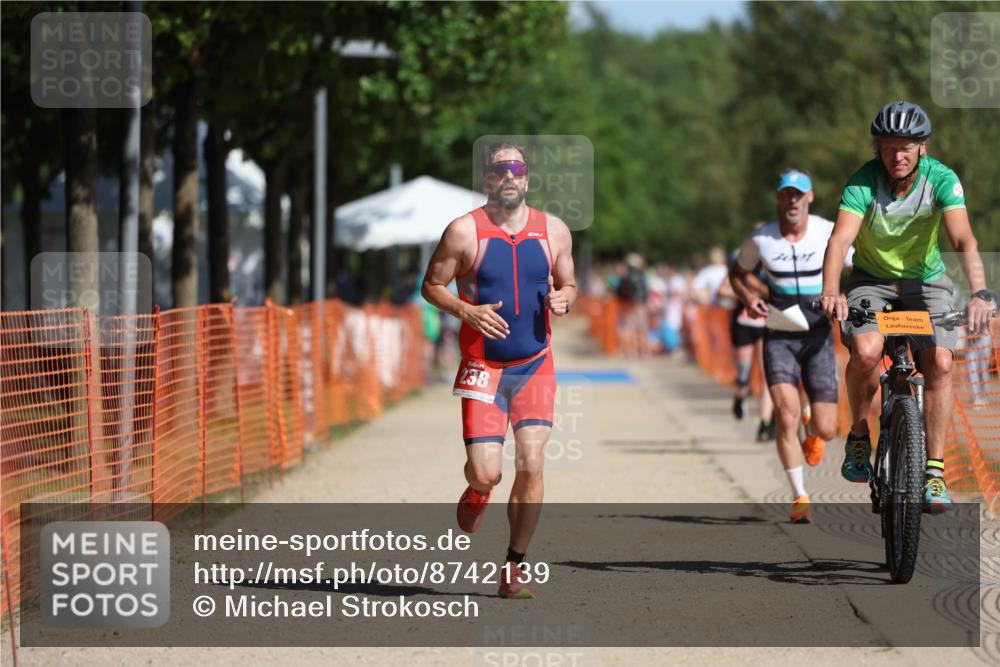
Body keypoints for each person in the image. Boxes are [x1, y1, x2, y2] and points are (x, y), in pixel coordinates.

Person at [820, 101, 996, 511]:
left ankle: (934, 471)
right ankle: (860, 435)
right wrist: (832, 290)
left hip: (926, 282)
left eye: (906, 147)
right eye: (888, 147)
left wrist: (980, 292)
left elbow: (963, 240)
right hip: (871, 280)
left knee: (941, 362)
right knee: (864, 352)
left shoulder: (941, 179)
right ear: (877, 149)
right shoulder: (863, 183)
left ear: (923, 148)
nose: (897, 156)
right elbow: (839, 242)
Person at [421, 142, 576, 598]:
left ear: (527, 178)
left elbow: (568, 282)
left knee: (531, 462)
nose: (509, 175)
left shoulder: (555, 231)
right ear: (487, 179)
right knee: (486, 471)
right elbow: (431, 285)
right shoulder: (463, 232)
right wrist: (465, 312)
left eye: (517, 168)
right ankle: (478, 490)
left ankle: (514, 566)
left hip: (534, 364)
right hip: (481, 366)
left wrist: (566, 297)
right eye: (498, 168)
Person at [730, 169, 850, 523]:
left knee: (829, 428)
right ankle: (799, 496)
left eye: (799, 194)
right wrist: (749, 297)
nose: (793, 200)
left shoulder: (828, 231)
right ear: (778, 197)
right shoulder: (762, 238)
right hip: (779, 333)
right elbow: (737, 275)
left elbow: (858, 268)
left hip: (818, 334)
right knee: (784, 414)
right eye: (787, 194)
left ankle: (813, 428)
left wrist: (845, 293)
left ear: (810, 198)